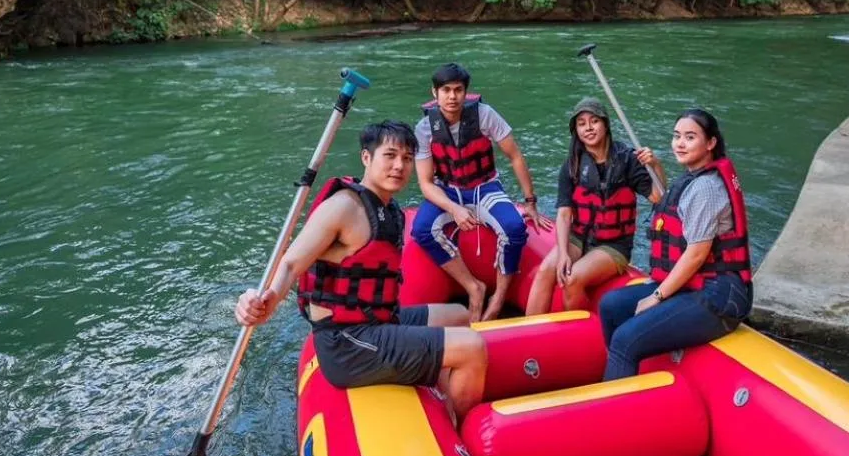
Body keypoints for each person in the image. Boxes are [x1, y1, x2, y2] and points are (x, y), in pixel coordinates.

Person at [234, 120, 488, 421]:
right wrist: (267, 299)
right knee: (473, 347)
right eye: (390, 155)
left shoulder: (389, 208)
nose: (399, 166)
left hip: (380, 323)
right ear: (366, 158)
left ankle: (443, 395)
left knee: (459, 316)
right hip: (348, 344)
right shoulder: (344, 207)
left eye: (407, 159)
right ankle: (461, 432)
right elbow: (290, 262)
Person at [597, 109, 752, 381]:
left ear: (711, 143)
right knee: (610, 305)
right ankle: (621, 379)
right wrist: (655, 166)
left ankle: (615, 412)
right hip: (696, 284)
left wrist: (655, 297)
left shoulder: (706, 189)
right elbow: (664, 205)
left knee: (625, 339)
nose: (680, 143)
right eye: (677, 136)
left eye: (690, 137)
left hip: (720, 295)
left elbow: (695, 255)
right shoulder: (693, 177)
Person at [411, 63, 541, 322]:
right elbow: (426, 183)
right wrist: (455, 209)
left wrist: (530, 202)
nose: (452, 96)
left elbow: (515, 156)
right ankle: (473, 287)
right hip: (447, 190)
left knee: (514, 229)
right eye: (446, 90)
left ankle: (499, 298)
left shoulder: (485, 114)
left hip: (485, 187)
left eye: (458, 90)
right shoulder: (424, 128)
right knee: (422, 230)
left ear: (465, 92)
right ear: (434, 93)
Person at [525, 98, 663, 316]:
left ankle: (575, 338)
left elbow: (658, 197)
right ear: (576, 130)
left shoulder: (627, 160)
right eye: (581, 123)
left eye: (594, 121)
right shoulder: (572, 164)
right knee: (544, 271)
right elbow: (563, 214)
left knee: (572, 278)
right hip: (579, 237)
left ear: (605, 124)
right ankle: (529, 338)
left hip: (614, 245)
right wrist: (562, 253)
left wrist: (655, 165)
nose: (588, 128)